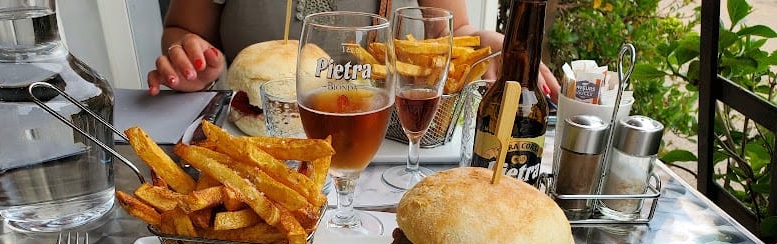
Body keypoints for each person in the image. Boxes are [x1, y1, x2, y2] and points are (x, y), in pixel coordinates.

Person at [147, 0, 560, 101]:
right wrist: (189, 61)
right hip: (253, 138)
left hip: (383, 145)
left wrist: (485, 44)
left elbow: (455, 30)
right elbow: (182, 28)